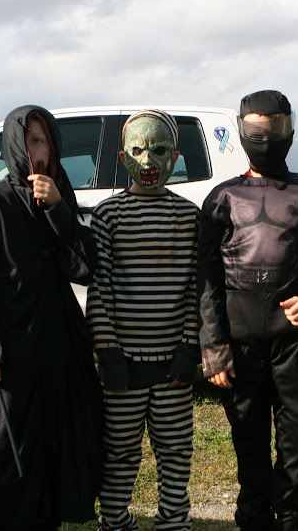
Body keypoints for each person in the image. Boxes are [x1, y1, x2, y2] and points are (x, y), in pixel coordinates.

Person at [0, 105, 104, 531]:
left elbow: (83, 267)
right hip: (9, 349)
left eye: (44, 141)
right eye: (30, 140)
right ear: (14, 146)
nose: (37, 150)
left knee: (52, 448)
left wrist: (57, 210)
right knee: (4, 451)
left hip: (56, 346)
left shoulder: (58, 197)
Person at [198, 90, 298, 531]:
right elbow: (206, 279)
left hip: (294, 334)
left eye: (274, 129)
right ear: (242, 132)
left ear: (290, 130)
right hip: (239, 335)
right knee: (249, 435)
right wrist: (213, 346)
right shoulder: (222, 197)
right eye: (256, 131)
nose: (265, 140)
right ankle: (254, 518)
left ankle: (295, 518)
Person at [86, 109, 200, 531]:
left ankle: (173, 520)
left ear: (175, 158)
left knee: (176, 449)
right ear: (122, 156)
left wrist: (190, 348)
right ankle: (115, 519)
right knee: (119, 449)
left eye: (159, 151)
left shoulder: (189, 216)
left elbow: (195, 288)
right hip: (125, 362)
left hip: (172, 362)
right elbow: (100, 287)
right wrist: (108, 352)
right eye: (137, 151)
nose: (148, 161)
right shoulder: (108, 215)